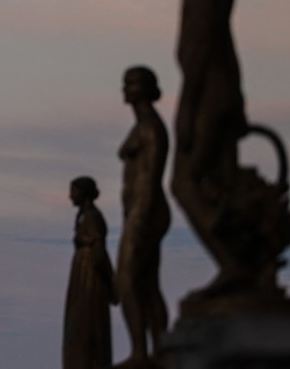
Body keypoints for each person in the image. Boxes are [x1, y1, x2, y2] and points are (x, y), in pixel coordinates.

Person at [164, 0, 249, 298]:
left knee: (184, 180)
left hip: (209, 86)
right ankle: (239, 268)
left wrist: (187, 105)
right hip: (222, 84)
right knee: (219, 180)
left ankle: (233, 266)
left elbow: (202, 36)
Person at [115, 67, 170, 367]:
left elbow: (150, 180)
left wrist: (138, 220)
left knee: (127, 280)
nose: (125, 88)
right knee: (146, 283)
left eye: (131, 83)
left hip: (145, 210)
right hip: (138, 211)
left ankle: (142, 352)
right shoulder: (143, 126)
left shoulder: (150, 128)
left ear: (146, 89)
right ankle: (156, 350)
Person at [64, 176, 115, 369]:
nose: (70, 196)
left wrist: (109, 282)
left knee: (88, 323)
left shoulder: (93, 218)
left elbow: (100, 252)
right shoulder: (84, 217)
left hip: (89, 276)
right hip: (82, 273)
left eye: (73, 191)